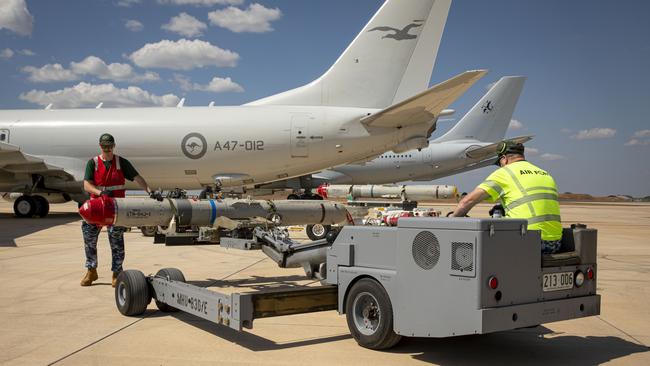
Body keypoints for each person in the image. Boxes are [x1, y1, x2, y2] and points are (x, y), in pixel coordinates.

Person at [451, 141, 563, 254]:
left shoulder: (505, 172)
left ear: (504, 158)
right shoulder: (544, 173)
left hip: (529, 242)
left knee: (478, 248)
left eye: (499, 163)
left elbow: (468, 201)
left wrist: (451, 219)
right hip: (555, 243)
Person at [80, 133, 156, 287]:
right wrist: (100, 193)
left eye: (109, 146)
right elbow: (86, 185)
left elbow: (137, 178)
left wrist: (150, 191)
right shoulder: (93, 163)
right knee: (89, 240)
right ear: (100, 146)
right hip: (97, 208)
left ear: (114, 146)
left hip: (116, 209)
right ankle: (91, 271)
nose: (107, 149)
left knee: (116, 242)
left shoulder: (122, 163)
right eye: (104, 146)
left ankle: (117, 273)